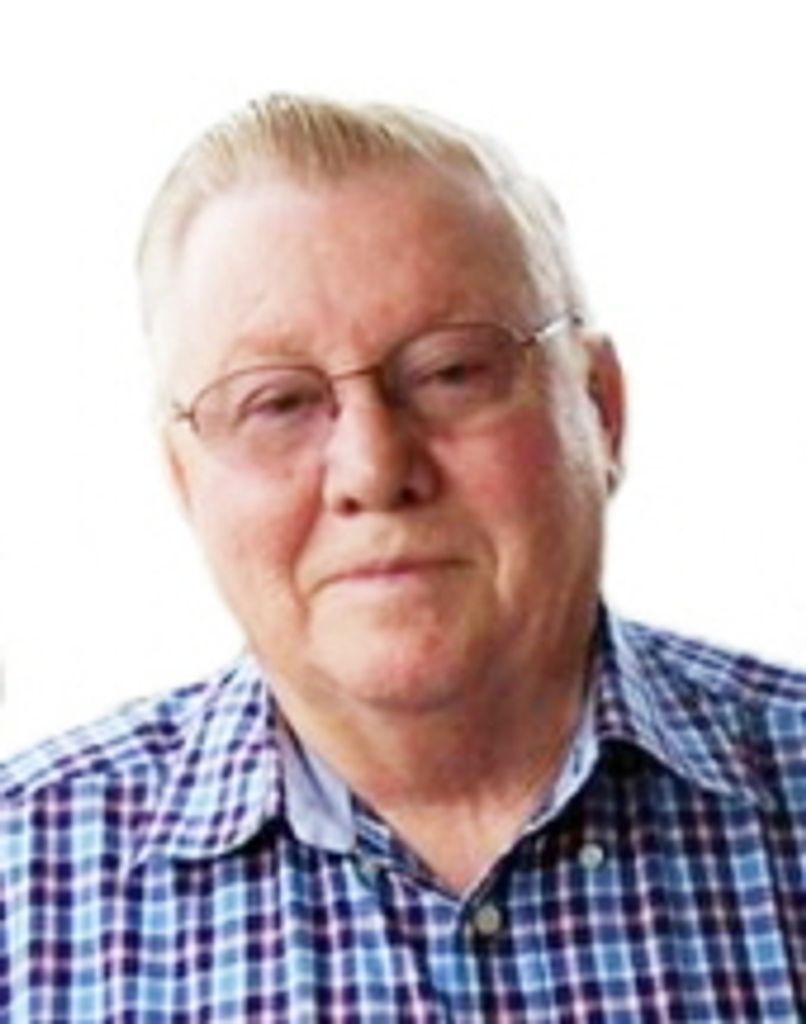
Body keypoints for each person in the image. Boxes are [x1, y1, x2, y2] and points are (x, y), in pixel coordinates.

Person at [1, 94, 804, 1023]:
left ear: (600, 407)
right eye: (277, 403)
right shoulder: (23, 892)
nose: (374, 471)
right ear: (185, 480)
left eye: (450, 372)